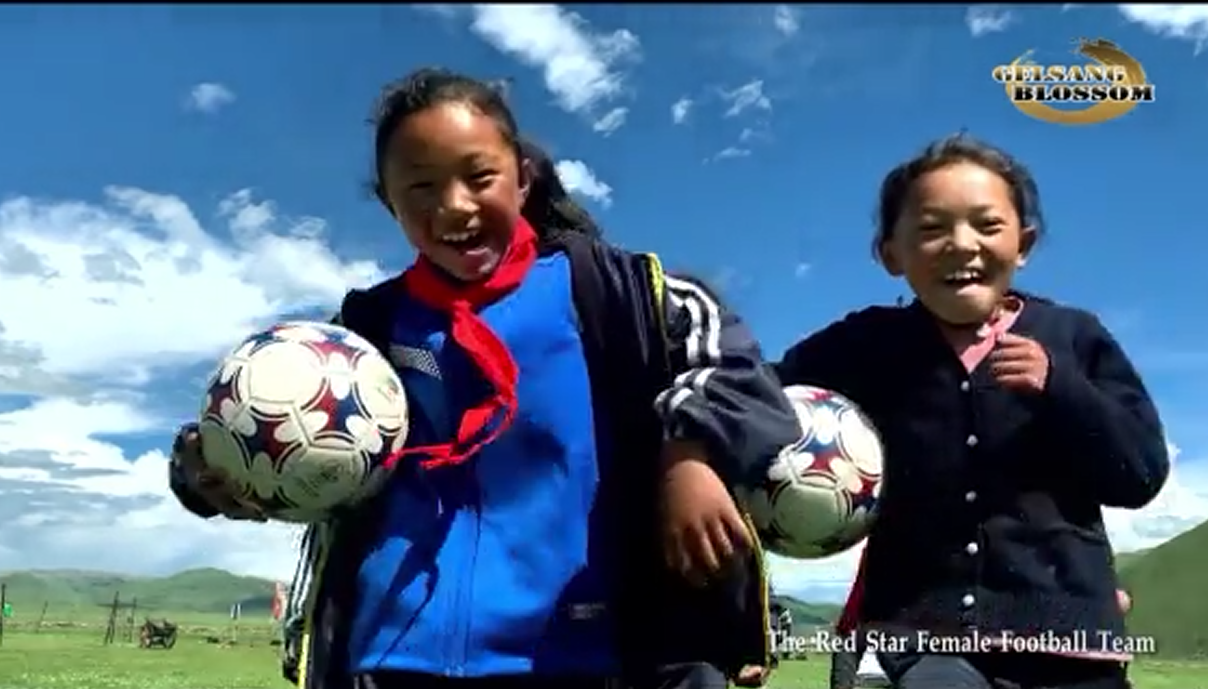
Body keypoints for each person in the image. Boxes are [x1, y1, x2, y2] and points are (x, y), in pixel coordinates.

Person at [169, 67, 798, 689]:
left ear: (522, 180)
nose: (454, 205)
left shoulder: (620, 293)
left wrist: (689, 454)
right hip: (389, 660)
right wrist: (209, 467)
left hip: (579, 653)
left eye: (479, 176)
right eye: (420, 188)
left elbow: (735, 367)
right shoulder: (363, 333)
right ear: (390, 205)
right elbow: (261, 416)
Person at [774, 133, 1169, 689]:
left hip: (1069, 654)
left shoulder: (1075, 337)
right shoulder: (864, 345)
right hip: (916, 647)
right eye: (932, 229)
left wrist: (1062, 389)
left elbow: (1140, 474)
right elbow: (760, 393)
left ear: (1024, 244)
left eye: (988, 225)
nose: (962, 244)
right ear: (891, 254)